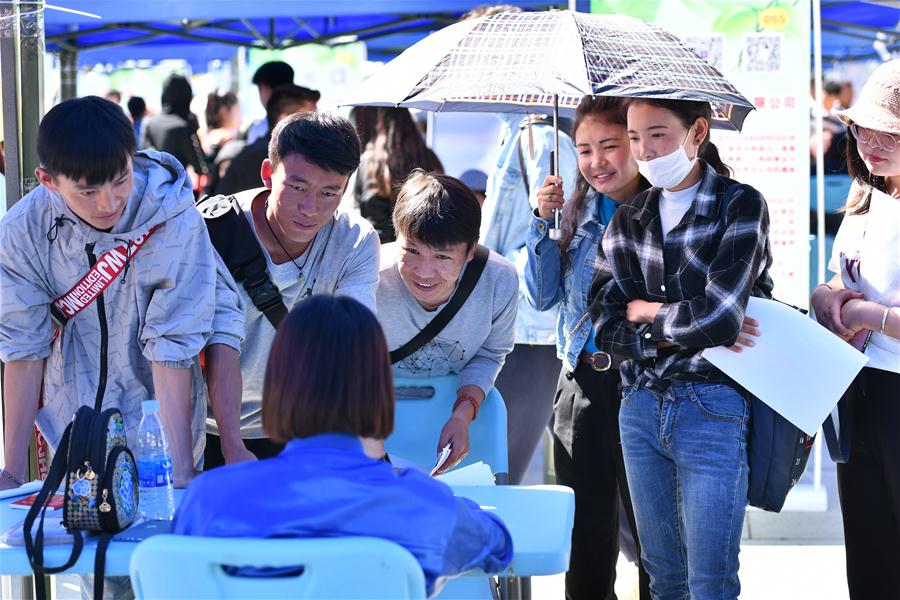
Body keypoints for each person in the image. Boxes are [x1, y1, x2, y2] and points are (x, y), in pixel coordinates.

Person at [175, 295, 513, 596]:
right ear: (379, 389)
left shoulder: (208, 499)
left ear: (277, 386)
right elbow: (498, 545)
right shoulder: (423, 505)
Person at [0, 97, 241, 493]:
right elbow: (24, 347)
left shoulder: (173, 216)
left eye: (120, 180)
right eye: (88, 191)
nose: (108, 203)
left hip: (163, 431)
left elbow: (172, 343)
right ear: (48, 180)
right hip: (71, 431)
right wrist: (10, 471)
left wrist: (177, 466)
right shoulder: (23, 230)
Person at [588, 97, 773, 599]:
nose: (644, 150)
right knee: (663, 576)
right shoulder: (628, 218)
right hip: (639, 405)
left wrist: (647, 314)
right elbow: (605, 324)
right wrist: (679, 328)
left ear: (697, 132)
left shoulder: (740, 204)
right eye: (634, 137)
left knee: (711, 579)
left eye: (658, 135)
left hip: (711, 404)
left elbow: (720, 316)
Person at [203, 111, 380, 468]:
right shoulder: (212, 231)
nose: (310, 208)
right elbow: (222, 339)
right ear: (268, 173)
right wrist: (233, 446)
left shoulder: (356, 242)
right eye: (297, 187)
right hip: (204, 431)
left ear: (346, 188)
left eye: (329, 192)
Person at [525, 96, 650, 600]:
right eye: (583, 149)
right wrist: (541, 222)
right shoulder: (572, 212)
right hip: (582, 382)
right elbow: (540, 297)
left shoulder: (664, 207)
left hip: (647, 382)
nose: (596, 160)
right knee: (586, 532)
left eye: (610, 145)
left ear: (636, 144)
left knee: (653, 530)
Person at [810, 59, 900, 599]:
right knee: (868, 550)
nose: (872, 141)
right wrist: (825, 300)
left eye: (889, 129)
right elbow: (833, 281)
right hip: (856, 386)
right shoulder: (864, 200)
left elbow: (866, 304)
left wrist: (866, 314)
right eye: (864, 128)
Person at [374, 171, 517, 473]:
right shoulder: (366, 276)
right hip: (370, 419)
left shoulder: (499, 280)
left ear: (470, 250)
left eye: (442, 257)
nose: (424, 272)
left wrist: (463, 414)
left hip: (454, 419)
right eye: (411, 250)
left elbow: (490, 354)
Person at [353, 107, 444, 243]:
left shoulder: (371, 161)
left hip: (379, 246)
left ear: (380, 124)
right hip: (423, 244)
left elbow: (363, 203)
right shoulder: (429, 157)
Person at [214, 84, 319, 196]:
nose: (317, 127)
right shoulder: (266, 157)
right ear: (284, 120)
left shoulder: (260, 152)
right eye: (309, 120)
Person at [141, 74, 209, 190]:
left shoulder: (149, 123)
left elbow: (144, 158)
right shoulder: (183, 126)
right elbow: (202, 166)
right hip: (178, 194)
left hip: (151, 193)